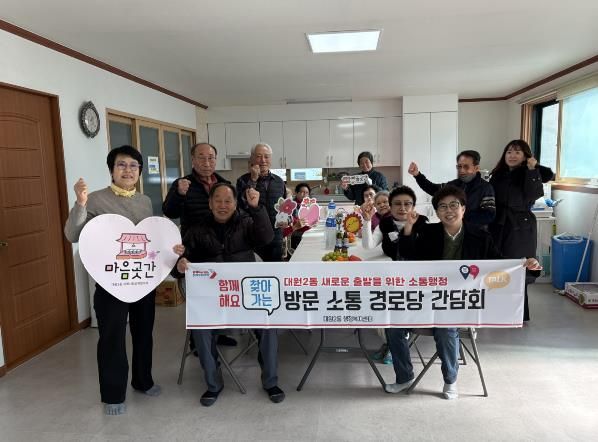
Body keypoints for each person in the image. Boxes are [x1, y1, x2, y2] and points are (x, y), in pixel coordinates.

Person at [386, 185, 540, 399]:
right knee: (392, 325)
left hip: (461, 301)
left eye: (454, 205)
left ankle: (450, 380)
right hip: (428, 298)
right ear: (437, 212)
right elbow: (407, 256)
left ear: (464, 209)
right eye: (442, 207)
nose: (448, 210)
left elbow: (499, 264)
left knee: (445, 327)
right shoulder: (429, 232)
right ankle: (404, 377)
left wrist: (525, 264)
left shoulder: (480, 236)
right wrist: (409, 227)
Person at [64, 145, 184, 416]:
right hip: (111, 282)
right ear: (112, 170)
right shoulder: (95, 199)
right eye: (121, 164)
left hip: (141, 281)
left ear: (139, 171)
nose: (127, 170)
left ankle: (143, 381)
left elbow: (149, 240)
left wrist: (171, 247)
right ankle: (113, 394)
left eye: (133, 165)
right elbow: (73, 234)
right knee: (111, 337)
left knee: (143, 333)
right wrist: (80, 203)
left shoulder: (144, 201)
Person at [174, 183, 285, 406]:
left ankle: (270, 382)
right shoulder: (196, 229)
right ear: (210, 203)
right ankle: (213, 385)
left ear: (235, 204)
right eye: (218, 200)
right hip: (212, 299)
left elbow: (266, 237)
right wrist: (180, 264)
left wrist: (256, 208)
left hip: (245, 297)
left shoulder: (246, 222)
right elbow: (178, 264)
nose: (222, 205)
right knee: (200, 330)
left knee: (268, 324)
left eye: (228, 201)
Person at [162, 142, 237, 347]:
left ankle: (218, 334)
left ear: (216, 159)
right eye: (201, 158)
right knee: (200, 298)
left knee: (220, 294)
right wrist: (179, 194)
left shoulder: (224, 183)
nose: (206, 162)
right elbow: (169, 211)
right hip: (194, 249)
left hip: (220, 249)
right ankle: (198, 342)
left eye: (211, 157)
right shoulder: (183, 183)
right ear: (193, 160)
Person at [361, 186, 428, 365]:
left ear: (413, 206)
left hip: (414, 281)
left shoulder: (422, 223)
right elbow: (368, 246)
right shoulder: (385, 223)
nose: (402, 208)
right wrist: (366, 221)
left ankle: (396, 346)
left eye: (407, 204)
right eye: (397, 204)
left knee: (396, 309)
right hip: (391, 277)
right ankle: (390, 343)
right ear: (391, 206)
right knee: (377, 305)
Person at [489, 139, 552, 321]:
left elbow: (534, 194)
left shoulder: (529, 173)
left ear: (525, 156)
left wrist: (532, 169)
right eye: (509, 152)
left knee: (518, 267)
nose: (512, 155)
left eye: (517, 152)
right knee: (497, 264)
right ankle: (495, 309)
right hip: (498, 224)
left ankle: (518, 314)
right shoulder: (498, 174)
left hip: (520, 225)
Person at [407, 150, 496, 228]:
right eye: (459, 166)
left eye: (466, 167)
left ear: (476, 168)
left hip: (473, 235)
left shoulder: (485, 188)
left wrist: (460, 216)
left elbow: (489, 215)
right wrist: (417, 175)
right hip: (451, 232)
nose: (462, 170)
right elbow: (433, 189)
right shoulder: (454, 184)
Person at [236, 143, 287, 262]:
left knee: (276, 270)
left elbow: (283, 206)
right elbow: (241, 205)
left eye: (266, 156)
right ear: (252, 159)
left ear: (271, 159)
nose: (263, 160)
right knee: (254, 270)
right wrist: (253, 179)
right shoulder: (243, 180)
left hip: (276, 237)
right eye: (258, 156)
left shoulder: (279, 181)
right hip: (253, 237)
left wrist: (286, 219)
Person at [281, 183, 312, 251]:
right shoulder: (288, 209)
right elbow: (283, 232)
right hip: (293, 236)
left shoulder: (308, 205)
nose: (305, 195)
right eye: (302, 192)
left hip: (298, 231)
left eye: (307, 193)